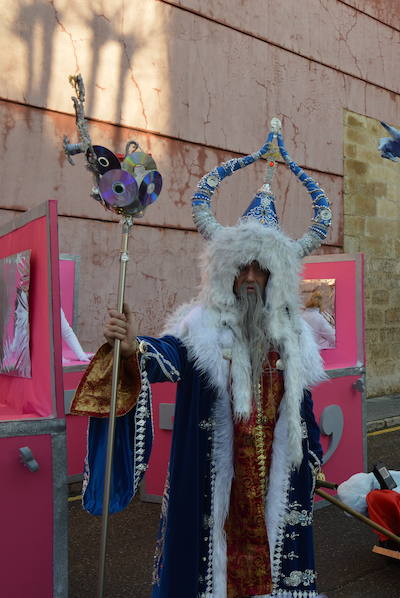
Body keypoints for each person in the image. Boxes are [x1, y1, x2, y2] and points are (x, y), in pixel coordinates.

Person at [71, 121, 333, 598]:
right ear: (228, 273)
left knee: (276, 569)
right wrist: (135, 346)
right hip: (215, 480)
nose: (250, 277)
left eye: (261, 268)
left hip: (277, 477)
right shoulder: (202, 327)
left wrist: (311, 457)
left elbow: (303, 409)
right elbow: (170, 356)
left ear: (275, 277)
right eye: (242, 268)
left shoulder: (293, 336)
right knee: (209, 568)